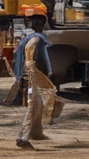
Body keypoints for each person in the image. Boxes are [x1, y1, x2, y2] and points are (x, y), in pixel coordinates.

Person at [11, 8, 62, 150]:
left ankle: (36, 132)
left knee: (37, 104)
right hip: (36, 74)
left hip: (32, 73)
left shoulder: (30, 38)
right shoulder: (37, 39)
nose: (35, 23)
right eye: (34, 20)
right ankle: (23, 137)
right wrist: (47, 75)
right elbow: (37, 56)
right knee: (34, 105)